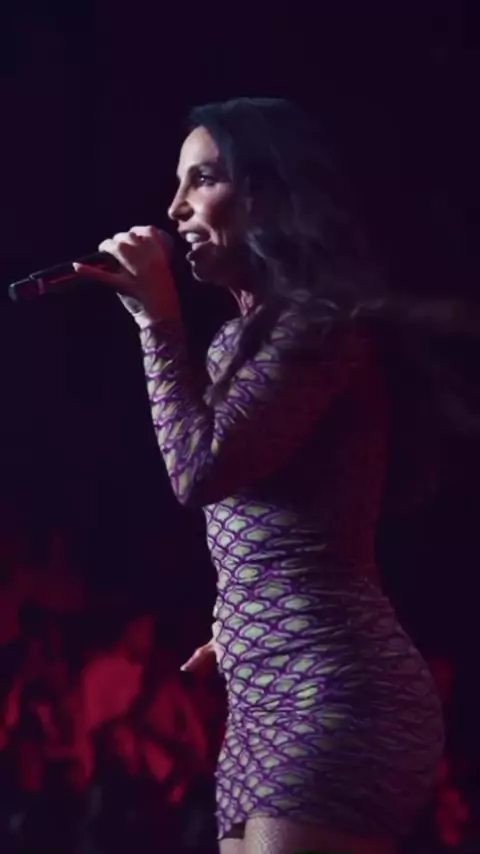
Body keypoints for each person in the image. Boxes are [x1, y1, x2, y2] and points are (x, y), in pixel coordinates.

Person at [75, 98, 444, 854]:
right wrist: (241, 617)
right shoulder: (236, 344)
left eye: (202, 179)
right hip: (258, 701)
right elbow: (266, 511)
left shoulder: (321, 329)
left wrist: (156, 323)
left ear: (268, 194)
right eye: (178, 183)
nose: (175, 208)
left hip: (334, 689)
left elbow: (198, 471)